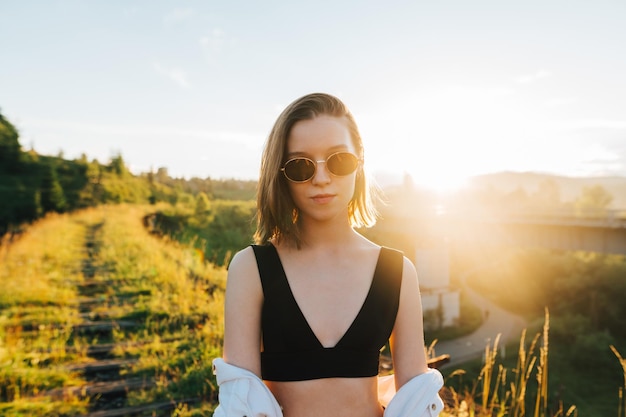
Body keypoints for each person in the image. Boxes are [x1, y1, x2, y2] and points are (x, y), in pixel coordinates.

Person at [212, 92, 443, 417]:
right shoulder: (251, 268)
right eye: (300, 165)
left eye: (339, 160)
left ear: (359, 161)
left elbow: (416, 403)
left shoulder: (396, 270)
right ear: (280, 174)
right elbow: (241, 405)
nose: (321, 178)